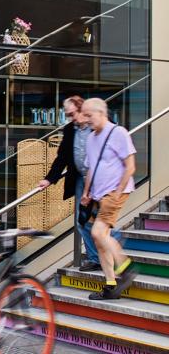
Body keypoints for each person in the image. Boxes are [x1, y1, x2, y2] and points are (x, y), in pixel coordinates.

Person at [38, 96, 120, 271]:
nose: (71, 118)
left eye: (72, 113)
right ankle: (94, 258)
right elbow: (62, 158)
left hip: (102, 179)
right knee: (82, 220)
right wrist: (49, 178)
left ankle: (115, 254)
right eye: (68, 115)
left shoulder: (100, 126)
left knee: (104, 219)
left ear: (82, 109)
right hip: (82, 179)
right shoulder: (69, 130)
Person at [81, 98, 136, 300]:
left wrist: (118, 192)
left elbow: (130, 166)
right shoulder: (90, 138)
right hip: (97, 195)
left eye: (89, 115)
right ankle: (111, 285)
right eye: (84, 115)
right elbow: (90, 169)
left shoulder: (118, 133)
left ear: (101, 112)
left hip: (115, 192)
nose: (86, 120)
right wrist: (86, 194)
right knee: (100, 241)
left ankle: (127, 267)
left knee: (98, 232)